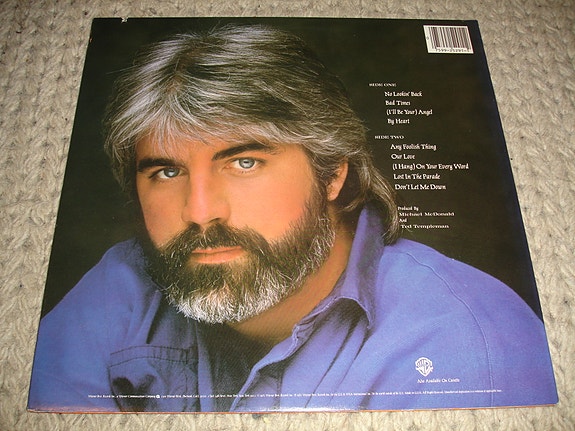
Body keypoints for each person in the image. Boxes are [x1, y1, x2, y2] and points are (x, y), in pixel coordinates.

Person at [28, 24, 557, 413]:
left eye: (244, 162)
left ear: (332, 174)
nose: (201, 212)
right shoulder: (122, 284)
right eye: (167, 172)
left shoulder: (467, 342)